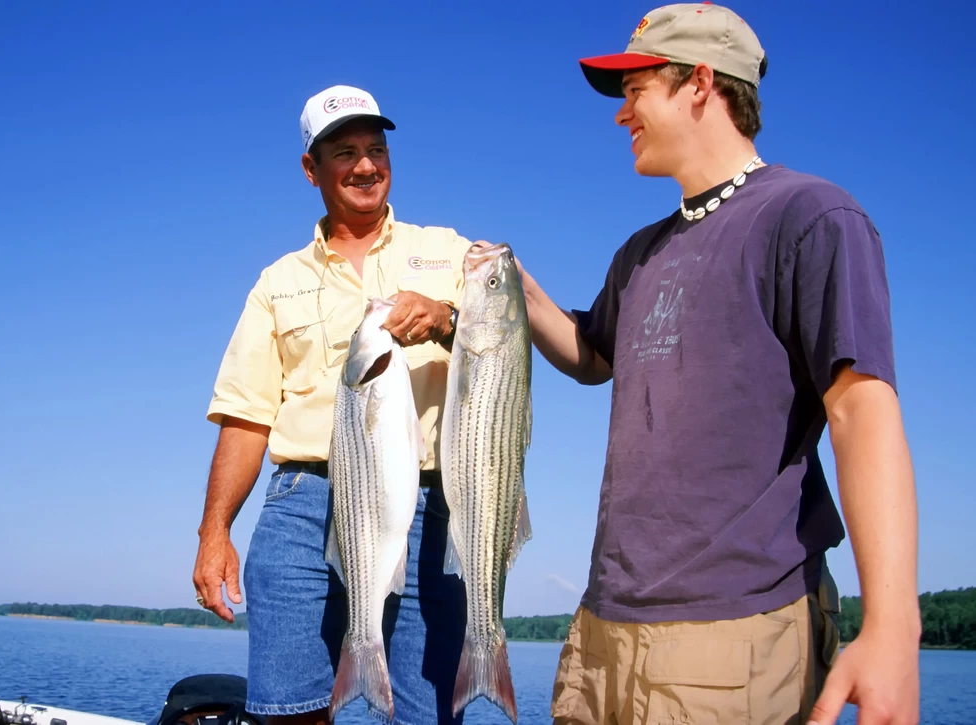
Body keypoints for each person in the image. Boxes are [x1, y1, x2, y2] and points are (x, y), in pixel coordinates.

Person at [507, 4, 920, 724]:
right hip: (602, 624)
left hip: (732, 631)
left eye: (634, 89)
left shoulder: (810, 215)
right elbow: (593, 355)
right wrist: (512, 286)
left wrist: (892, 629)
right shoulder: (638, 251)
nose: (619, 114)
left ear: (699, 82)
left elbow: (860, 408)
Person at [191, 84, 477, 725]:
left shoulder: (449, 250)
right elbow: (246, 415)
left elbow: (507, 329)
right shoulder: (277, 282)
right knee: (292, 709)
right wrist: (215, 533)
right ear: (311, 169)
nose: (367, 165)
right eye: (345, 151)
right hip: (301, 504)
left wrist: (447, 315)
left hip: (427, 505)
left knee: (421, 712)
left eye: (377, 149)